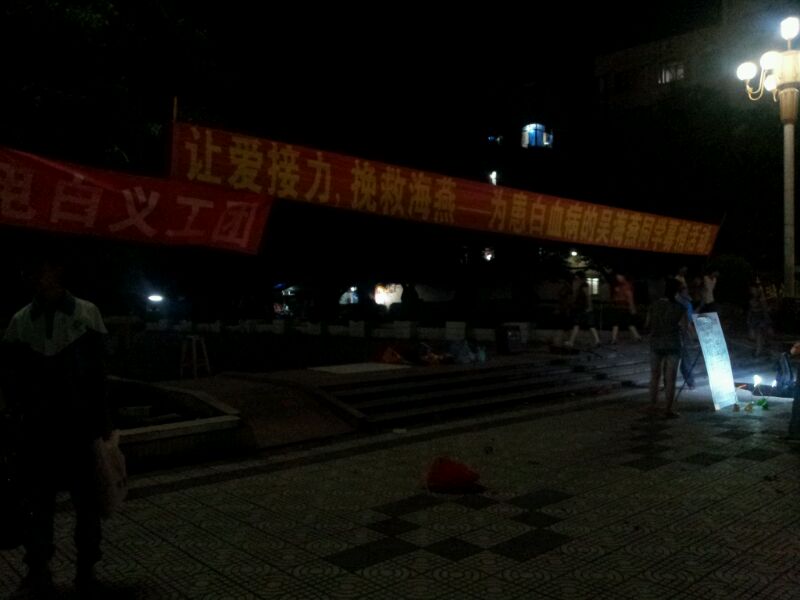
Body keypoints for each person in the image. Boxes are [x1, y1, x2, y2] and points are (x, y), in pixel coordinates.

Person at [0, 251, 111, 595]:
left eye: (40, 267)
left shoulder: (86, 314)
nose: (34, 275)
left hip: (79, 428)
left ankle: (86, 569)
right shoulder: (20, 321)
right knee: (37, 506)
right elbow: (11, 380)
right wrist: (13, 424)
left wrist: (103, 423)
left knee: (87, 505)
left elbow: (100, 375)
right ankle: (38, 569)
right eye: (29, 269)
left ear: (58, 270)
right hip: (36, 431)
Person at [646, 277, 687, 418]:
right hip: (673, 344)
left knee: (654, 376)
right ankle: (668, 409)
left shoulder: (654, 305)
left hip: (656, 343)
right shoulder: (680, 308)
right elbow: (685, 329)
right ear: (677, 292)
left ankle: (652, 406)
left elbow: (647, 324)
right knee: (670, 379)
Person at [565, 271, 600, 347]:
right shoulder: (578, 285)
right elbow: (575, 296)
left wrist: (590, 307)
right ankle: (597, 340)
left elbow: (588, 296)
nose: (576, 279)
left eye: (577, 277)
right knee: (581, 324)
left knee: (582, 324)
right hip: (579, 307)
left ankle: (571, 342)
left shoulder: (584, 285)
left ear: (580, 278)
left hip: (583, 307)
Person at [609, 272, 642, 344]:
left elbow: (630, 297)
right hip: (619, 307)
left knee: (625, 322)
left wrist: (632, 308)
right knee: (622, 323)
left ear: (623, 276)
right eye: (617, 277)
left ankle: (637, 337)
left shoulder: (626, 285)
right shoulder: (619, 286)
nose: (618, 278)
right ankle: (637, 337)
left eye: (619, 276)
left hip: (624, 307)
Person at [747, 281, 772, 357]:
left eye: (753, 289)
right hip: (753, 317)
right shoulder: (751, 298)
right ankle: (761, 347)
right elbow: (750, 309)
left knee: (759, 334)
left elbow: (765, 310)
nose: (752, 291)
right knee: (753, 336)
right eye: (751, 290)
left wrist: (768, 321)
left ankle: (758, 351)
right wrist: (748, 319)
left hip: (760, 318)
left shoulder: (761, 299)